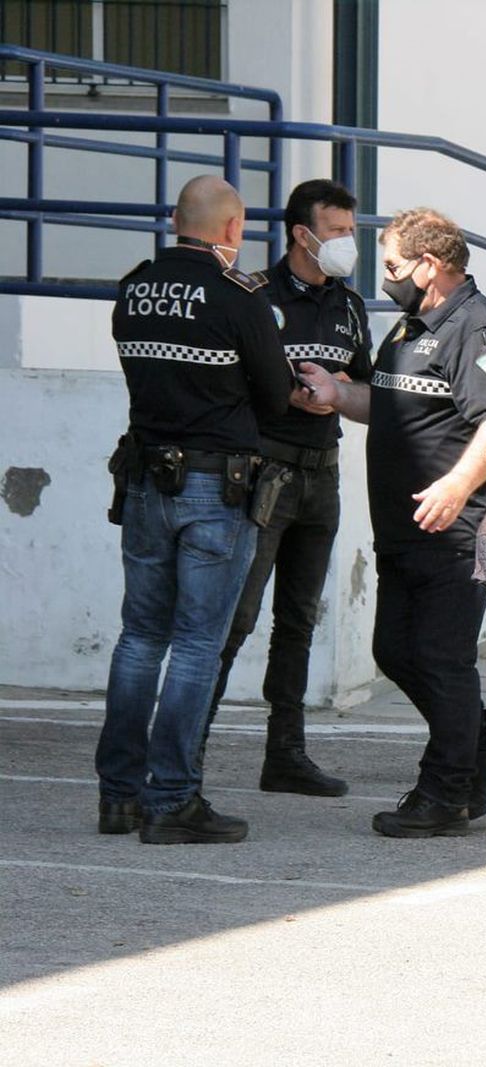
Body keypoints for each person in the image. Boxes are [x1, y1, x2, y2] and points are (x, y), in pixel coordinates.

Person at [298, 208, 486, 838]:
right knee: (393, 650)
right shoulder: (409, 326)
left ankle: (445, 793)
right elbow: (392, 402)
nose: (386, 276)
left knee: (441, 659)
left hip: (456, 530)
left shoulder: (478, 330)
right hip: (401, 526)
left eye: (394, 265)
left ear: (432, 265)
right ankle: (479, 738)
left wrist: (456, 485)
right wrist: (337, 395)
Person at [96, 175, 292, 844]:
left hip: (147, 481)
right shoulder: (238, 300)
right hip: (217, 487)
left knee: (140, 635)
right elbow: (276, 396)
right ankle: (172, 798)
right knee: (196, 642)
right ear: (232, 230)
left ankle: (118, 795)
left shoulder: (136, 287)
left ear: (176, 220)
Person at [203, 179, 370, 798]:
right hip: (262, 474)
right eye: (337, 231)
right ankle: (186, 750)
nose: (348, 243)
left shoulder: (350, 306)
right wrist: (285, 393)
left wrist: (340, 395)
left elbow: (368, 388)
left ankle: (286, 754)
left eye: (351, 231)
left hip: (321, 474)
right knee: (234, 617)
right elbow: (228, 384)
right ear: (302, 234)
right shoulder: (253, 296)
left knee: (298, 620)